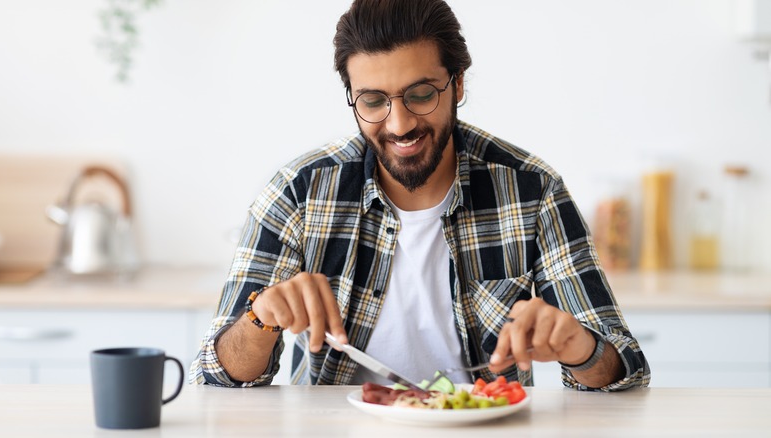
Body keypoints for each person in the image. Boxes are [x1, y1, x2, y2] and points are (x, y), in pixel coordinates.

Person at [190, 0, 650, 391]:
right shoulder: (298, 191)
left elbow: (625, 373)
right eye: (373, 101)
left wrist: (580, 348)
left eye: (421, 94)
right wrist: (261, 319)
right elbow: (215, 378)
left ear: (458, 85)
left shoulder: (531, 189)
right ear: (352, 97)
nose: (399, 123)